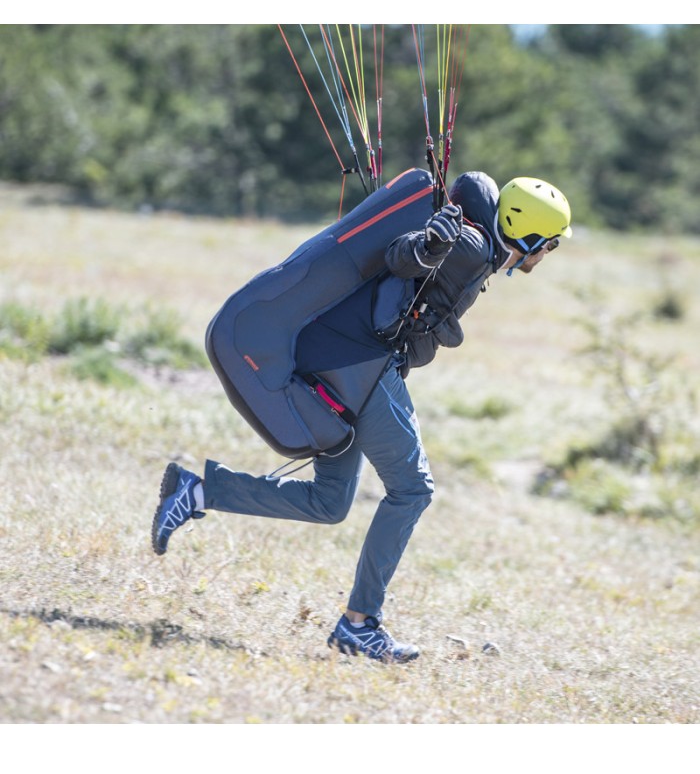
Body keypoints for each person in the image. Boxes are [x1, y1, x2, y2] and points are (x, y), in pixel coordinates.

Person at [151, 171, 572, 663]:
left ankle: (196, 491)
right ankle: (360, 625)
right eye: (551, 245)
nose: (547, 256)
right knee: (413, 490)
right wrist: (430, 245)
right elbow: (403, 256)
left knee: (330, 501)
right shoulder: (470, 246)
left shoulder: (472, 242)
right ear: (532, 236)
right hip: (362, 368)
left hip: (337, 357)